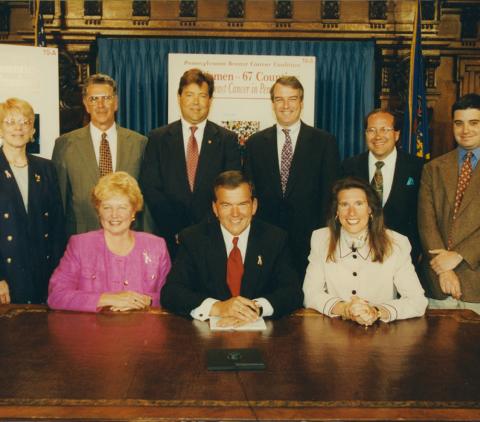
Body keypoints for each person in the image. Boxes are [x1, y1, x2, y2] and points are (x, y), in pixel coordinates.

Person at [160, 170, 303, 325]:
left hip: (261, 336)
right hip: (206, 337)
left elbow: (292, 292)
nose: (235, 214)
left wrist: (254, 308)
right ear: (215, 208)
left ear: (254, 206)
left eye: (242, 204)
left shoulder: (275, 238)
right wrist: (218, 308)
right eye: (226, 205)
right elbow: (172, 292)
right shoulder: (193, 239)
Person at [245, 76, 340, 278]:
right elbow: (249, 195)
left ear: (301, 102)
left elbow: (330, 196)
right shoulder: (255, 144)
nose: (286, 105)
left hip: (309, 241)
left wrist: (326, 238)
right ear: (272, 104)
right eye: (279, 99)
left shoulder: (324, 142)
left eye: (292, 99)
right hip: (265, 241)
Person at [140, 68, 241, 257]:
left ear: (210, 100)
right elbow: (151, 188)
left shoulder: (227, 140)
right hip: (169, 238)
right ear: (179, 97)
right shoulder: (158, 138)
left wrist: (203, 231)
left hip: (214, 238)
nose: (196, 102)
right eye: (189, 95)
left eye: (202, 96)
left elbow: (230, 190)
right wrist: (176, 228)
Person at [303, 177, 427, 326]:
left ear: (370, 209)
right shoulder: (320, 239)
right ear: (336, 210)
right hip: (334, 332)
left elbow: (417, 301)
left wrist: (376, 311)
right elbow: (310, 294)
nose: (351, 213)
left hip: (381, 334)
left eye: (359, 204)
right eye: (344, 204)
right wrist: (345, 309)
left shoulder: (397, 243)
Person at [48, 172, 171, 312]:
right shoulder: (80, 245)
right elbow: (56, 295)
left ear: (133, 212)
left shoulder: (156, 246)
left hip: (142, 330)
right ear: (98, 211)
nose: (114, 215)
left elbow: (170, 296)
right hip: (92, 331)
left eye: (122, 207)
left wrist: (146, 300)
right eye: (107, 207)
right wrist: (106, 298)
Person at [52, 73, 148, 237]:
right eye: (94, 99)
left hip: (128, 240)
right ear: (86, 105)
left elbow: (146, 203)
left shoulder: (139, 143)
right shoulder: (65, 145)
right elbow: (58, 202)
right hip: (81, 240)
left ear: (116, 103)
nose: (101, 105)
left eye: (106, 98)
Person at [418, 93, 480, 313]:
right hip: (438, 283)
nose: (466, 130)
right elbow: (427, 221)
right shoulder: (433, 168)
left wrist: (459, 255)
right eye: (459, 123)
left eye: (474, 123)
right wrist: (443, 269)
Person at [0, 98, 65, 304]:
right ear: (0, 129)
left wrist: (58, 274)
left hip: (42, 272)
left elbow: (57, 225)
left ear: (32, 130)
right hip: (6, 275)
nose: (18, 128)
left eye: (25, 122)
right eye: (10, 122)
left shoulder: (46, 168)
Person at [341, 109, 423, 263]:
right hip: (357, 257)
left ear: (396, 134)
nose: (377, 136)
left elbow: (423, 216)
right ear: (365, 134)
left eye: (384, 129)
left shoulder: (418, 168)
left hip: (403, 257)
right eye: (371, 130)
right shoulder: (349, 166)